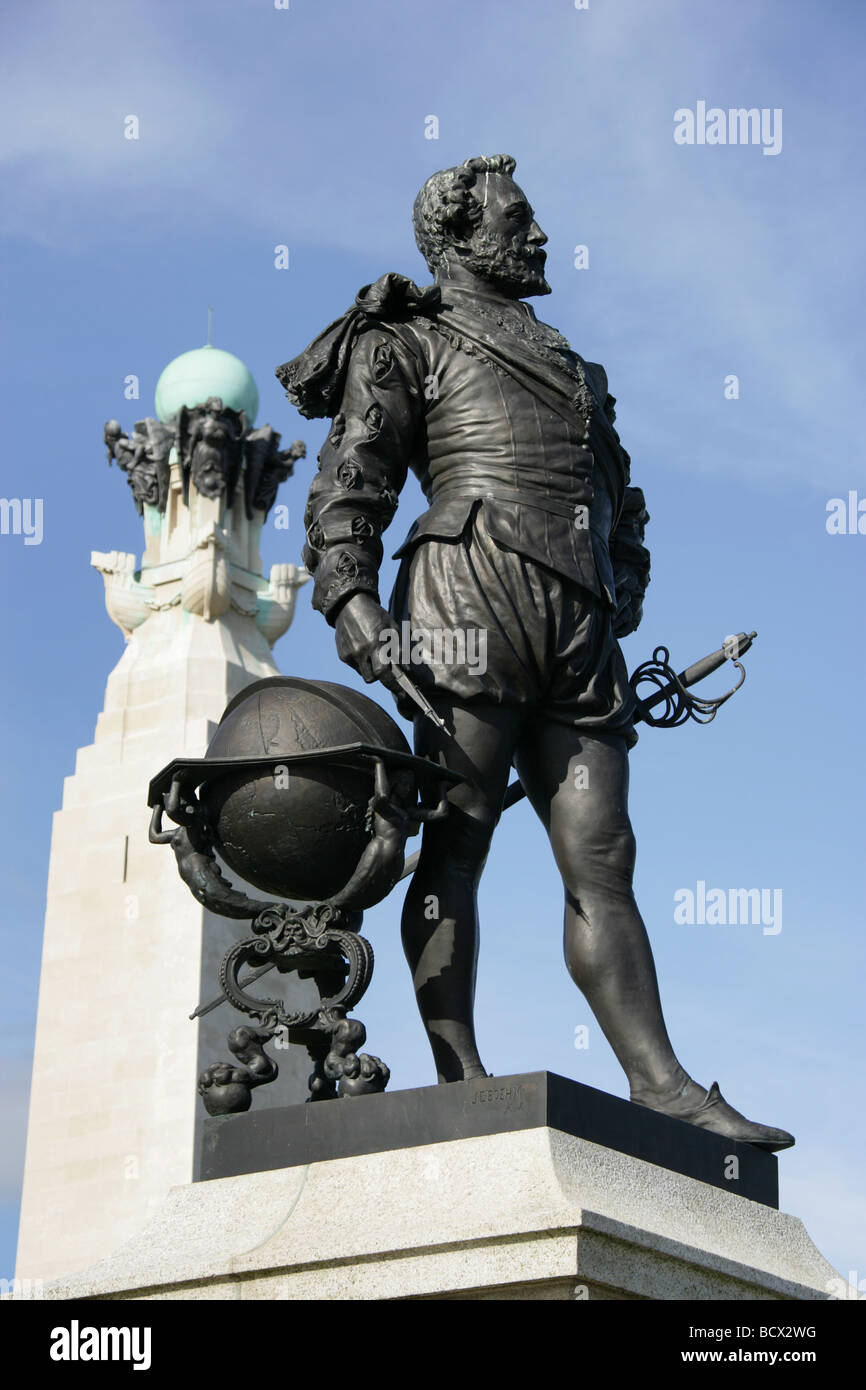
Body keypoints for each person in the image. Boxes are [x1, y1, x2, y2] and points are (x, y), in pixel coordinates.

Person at [277, 155, 793, 1149]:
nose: (542, 238)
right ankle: (456, 1067)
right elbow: (353, 483)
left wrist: (623, 581)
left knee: (603, 853)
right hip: (463, 595)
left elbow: (619, 495)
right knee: (458, 836)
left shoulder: (573, 366)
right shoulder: (403, 337)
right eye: (521, 220)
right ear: (462, 237)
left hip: (575, 619)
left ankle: (661, 1084)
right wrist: (350, 602)